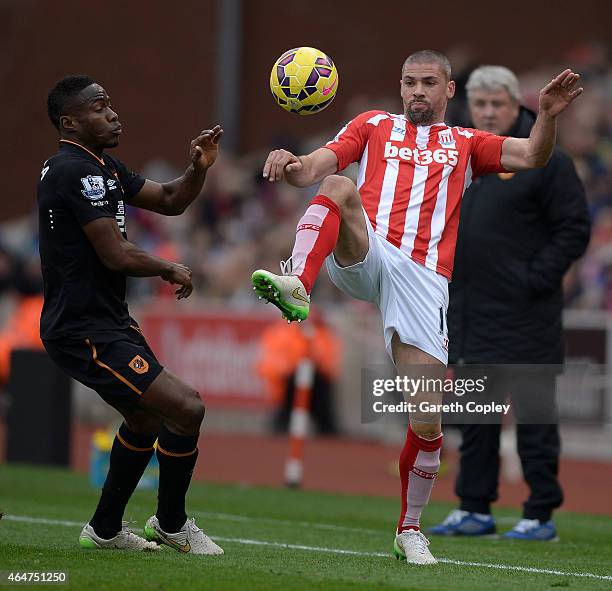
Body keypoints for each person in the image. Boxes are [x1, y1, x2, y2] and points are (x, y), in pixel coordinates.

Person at [251, 50, 582, 564]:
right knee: (338, 186)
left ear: (450, 91)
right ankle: (297, 280)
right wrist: (289, 164)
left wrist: (547, 115)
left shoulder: (468, 143)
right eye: (409, 82)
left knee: (427, 423)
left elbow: (533, 156)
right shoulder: (372, 125)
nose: (417, 92)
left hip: (424, 281)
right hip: (369, 250)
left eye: (429, 82)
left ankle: (409, 529)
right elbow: (316, 168)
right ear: (399, 86)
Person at [38, 75, 224, 555]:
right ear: (70, 122)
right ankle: (170, 523)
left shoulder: (102, 167)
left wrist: (197, 168)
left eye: (111, 105)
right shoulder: (69, 171)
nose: (113, 113)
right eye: (100, 107)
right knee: (186, 406)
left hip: (107, 321)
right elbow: (115, 255)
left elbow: (170, 200)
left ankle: (103, 530)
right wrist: (169, 267)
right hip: (82, 327)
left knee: (144, 418)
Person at [428, 66, 590, 541]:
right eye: (481, 105)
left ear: (516, 104)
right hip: (472, 315)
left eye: (498, 103)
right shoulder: (461, 153)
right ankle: (474, 508)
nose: (489, 112)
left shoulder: (546, 158)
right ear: (470, 107)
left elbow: (575, 228)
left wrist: (533, 279)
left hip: (529, 316)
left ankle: (540, 514)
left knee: (535, 419)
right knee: (475, 421)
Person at [256, 308, 341, 434]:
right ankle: (281, 423)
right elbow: (269, 363)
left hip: (316, 383)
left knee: (321, 392)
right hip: (287, 383)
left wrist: (316, 364)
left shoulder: (321, 334)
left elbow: (329, 364)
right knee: (291, 391)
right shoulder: (280, 333)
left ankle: (326, 427)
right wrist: (293, 369)